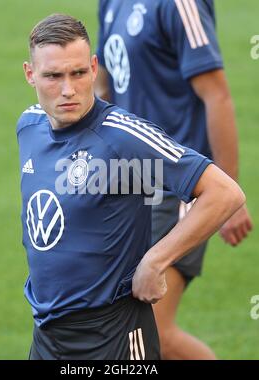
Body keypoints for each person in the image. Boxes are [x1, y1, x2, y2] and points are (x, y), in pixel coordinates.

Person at [17, 13, 245, 360]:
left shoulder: (123, 137)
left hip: (114, 339)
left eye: (78, 73)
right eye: (53, 76)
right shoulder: (29, 126)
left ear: (94, 68)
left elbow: (224, 193)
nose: (68, 89)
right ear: (30, 74)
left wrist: (155, 260)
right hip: (47, 336)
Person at [95, 0, 253, 359]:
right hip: (127, 188)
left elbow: (217, 94)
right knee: (124, 334)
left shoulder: (179, 4)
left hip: (178, 187)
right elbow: (104, 86)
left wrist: (228, 199)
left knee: (154, 333)